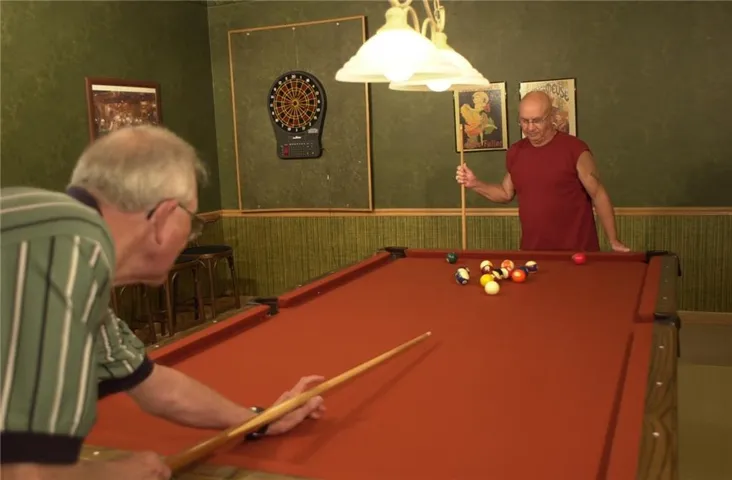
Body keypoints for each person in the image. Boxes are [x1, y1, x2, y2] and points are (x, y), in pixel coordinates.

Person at [0, 125, 325, 480]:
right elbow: (24, 472)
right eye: (192, 221)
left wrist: (258, 420)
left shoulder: (58, 236)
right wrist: (116, 473)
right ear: (165, 217)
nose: (190, 235)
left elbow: (156, 388)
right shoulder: (73, 253)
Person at [456, 90, 629, 253]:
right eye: (524, 121)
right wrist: (475, 183)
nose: (530, 128)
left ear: (551, 117)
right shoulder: (516, 152)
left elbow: (598, 194)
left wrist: (613, 240)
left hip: (577, 254)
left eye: (537, 120)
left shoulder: (575, 149)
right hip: (533, 255)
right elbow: (505, 193)